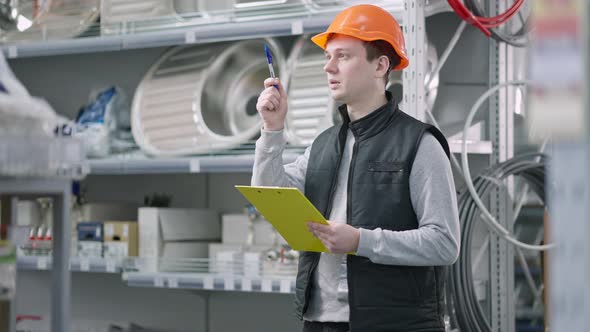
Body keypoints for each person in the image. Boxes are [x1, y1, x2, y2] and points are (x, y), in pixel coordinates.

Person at [252, 4, 460, 332]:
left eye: (343, 57)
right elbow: (270, 194)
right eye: (327, 57)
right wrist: (272, 130)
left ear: (380, 65)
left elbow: (444, 243)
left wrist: (360, 241)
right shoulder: (323, 145)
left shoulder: (419, 143)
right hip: (319, 321)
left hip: (393, 324)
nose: (328, 68)